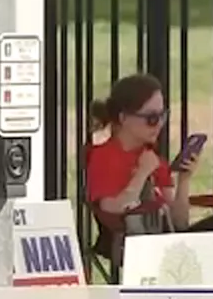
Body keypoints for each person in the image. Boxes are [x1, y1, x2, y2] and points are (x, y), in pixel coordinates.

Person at [85, 74, 201, 246]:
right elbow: (113, 209)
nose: (160, 124)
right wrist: (141, 173)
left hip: (165, 239)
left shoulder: (151, 157)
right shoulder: (104, 156)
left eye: (163, 116)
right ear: (123, 118)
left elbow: (180, 223)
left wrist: (184, 180)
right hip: (131, 242)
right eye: (152, 119)